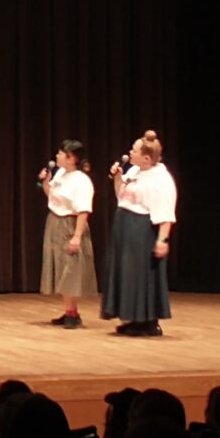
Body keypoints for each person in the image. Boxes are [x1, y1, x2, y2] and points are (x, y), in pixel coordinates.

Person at [101, 131, 176, 336]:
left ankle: (148, 322)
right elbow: (123, 196)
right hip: (125, 227)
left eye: (134, 150)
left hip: (141, 230)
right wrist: (117, 177)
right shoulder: (135, 171)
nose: (130, 153)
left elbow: (166, 212)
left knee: (141, 275)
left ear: (146, 158)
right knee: (128, 275)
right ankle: (133, 319)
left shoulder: (161, 179)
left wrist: (162, 239)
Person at [38, 139, 98, 328]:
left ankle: (73, 314)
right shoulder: (61, 174)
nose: (57, 156)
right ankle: (69, 311)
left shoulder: (81, 181)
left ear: (71, 158)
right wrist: (45, 182)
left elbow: (83, 210)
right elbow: (52, 197)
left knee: (70, 269)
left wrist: (77, 236)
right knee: (60, 267)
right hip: (55, 222)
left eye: (61, 153)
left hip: (70, 224)